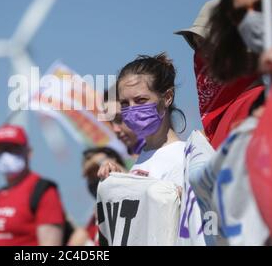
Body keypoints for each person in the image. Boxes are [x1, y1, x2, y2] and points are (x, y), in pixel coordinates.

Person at [188, 0, 272, 246]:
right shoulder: (254, 110)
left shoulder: (255, 102)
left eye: (264, 6)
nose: (253, 21)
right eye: (240, 15)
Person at [98, 53, 186, 188]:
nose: (132, 110)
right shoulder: (141, 159)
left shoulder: (185, 157)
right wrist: (120, 179)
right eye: (125, 104)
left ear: (168, 97)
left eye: (141, 100)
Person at [68, 147, 125, 246]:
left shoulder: (134, 194)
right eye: (90, 176)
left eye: (99, 170)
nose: (95, 179)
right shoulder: (92, 222)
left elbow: (133, 183)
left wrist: (104, 161)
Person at [103, 88, 138, 169]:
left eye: (119, 119)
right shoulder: (116, 163)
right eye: (111, 122)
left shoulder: (166, 154)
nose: (115, 129)